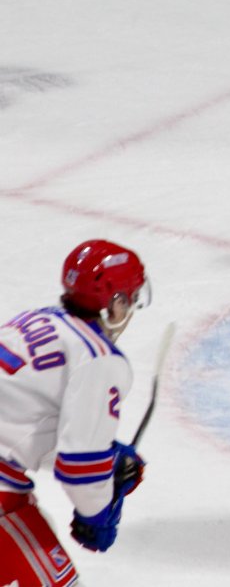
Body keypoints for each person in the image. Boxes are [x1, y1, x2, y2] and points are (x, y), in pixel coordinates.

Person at [0, 240, 150, 587]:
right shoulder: (98, 357)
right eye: (131, 298)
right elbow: (80, 466)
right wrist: (95, 515)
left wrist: (107, 460)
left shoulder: (32, 321)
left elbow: (22, 424)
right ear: (115, 304)